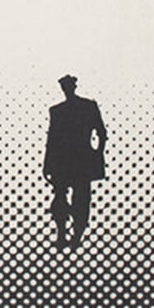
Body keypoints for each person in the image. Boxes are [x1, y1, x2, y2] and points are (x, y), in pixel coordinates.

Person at [43, 75, 106, 248]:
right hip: (68, 160)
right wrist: (97, 153)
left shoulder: (84, 107)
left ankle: (73, 235)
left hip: (74, 160)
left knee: (79, 199)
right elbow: (52, 139)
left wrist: (98, 153)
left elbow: (101, 132)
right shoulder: (59, 110)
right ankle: (65, 235)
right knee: (67, 200)